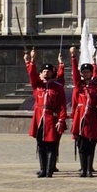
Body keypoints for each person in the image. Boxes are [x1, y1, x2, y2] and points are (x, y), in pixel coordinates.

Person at [24, 49, 67, 177]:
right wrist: (32, 61)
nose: (45, 73)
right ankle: (43, 169)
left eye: (48, 71)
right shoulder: (38, 85)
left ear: (52, 73)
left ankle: (49, 170)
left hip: (51, 118)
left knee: (51, 144)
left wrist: (61, 120)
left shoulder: (57, 87)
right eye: (43, 71)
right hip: (39, 118)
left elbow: (62, 105)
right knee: (40, 144)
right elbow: (31, 75)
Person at [70, 46, 97, 177]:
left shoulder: (96, 87)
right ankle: (83, 168)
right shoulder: (79, 85)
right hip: (80, 118)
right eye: (83, 72)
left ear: (91, 73)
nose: (85, 74)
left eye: (87, 72)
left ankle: (89, 169)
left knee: (91, 145)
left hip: (92, 118)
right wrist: (73, 57)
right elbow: (74, 73)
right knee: (81, 145)